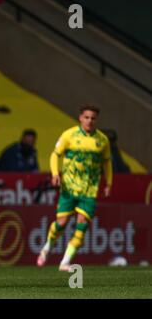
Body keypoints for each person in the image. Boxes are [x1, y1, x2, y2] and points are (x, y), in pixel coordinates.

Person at [37, 105, 112, 271]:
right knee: (61, 223)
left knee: (82, 224)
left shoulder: (102, 140)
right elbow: (55, 154)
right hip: (69, 188)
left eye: (93, 118)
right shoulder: (69, 135)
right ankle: (47, 247)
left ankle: (65, 262)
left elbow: (107, 162)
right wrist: (55, 173)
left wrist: (109, 183)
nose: (89, 121)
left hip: (89, 190)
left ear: (96, 120)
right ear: (80, 118)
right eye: (87, 117)